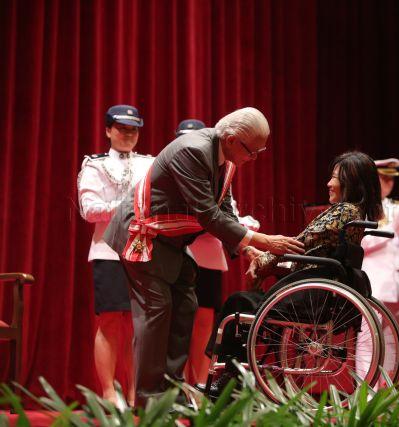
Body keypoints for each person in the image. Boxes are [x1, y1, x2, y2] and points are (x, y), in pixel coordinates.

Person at [103, 107, 305, 406]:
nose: (255, 158)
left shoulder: (226, 157)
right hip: (142, 236)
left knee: (186, 305)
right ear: (233, 139)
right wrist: (264, 240)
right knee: (156, 313)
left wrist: (248, 247)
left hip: (169, 242)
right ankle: (149, 400)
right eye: (253, 151)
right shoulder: (193, 150)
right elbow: (207, 213)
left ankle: (170, 389)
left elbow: (224, 209)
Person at [202, 151, 383, 396]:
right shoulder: (353, 214)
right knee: (245, 303)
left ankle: (226, 381)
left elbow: (301, 243)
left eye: (334, 178)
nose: (328, 184)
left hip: (310, 297)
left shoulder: (345, 211)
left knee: (238, 303)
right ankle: (234, 378)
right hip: (314, 290)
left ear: (351, 181)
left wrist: (265, 260)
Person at [174, 119, 261, 385]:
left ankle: (198, 383)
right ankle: (175, 384)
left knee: (204, 324)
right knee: (177, 323)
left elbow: (226, 212)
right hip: (179, 252)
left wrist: (246, 240)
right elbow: (204, 214)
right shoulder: (178, 164)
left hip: (209, 257)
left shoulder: (223, 168)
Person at [77, 104, 154, 406]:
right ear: (108, 130)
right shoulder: (95, 166)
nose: (128, 134)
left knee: (138, 325)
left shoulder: (150, 163)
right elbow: (88, 211)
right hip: (108, 251)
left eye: (133, 129)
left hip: (142, 251)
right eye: (121, 128)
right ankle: (109, 394)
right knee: (109, 322)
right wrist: (126, 207)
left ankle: (135, 393)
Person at [360, 158, 399, 314]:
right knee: (370, 336)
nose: (389, 183)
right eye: (384, 178)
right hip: (374, 280)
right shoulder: (361, 208)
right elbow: (363, 243)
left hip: (397, 284)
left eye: (391, 178)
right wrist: (393, 228)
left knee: (394, 338)